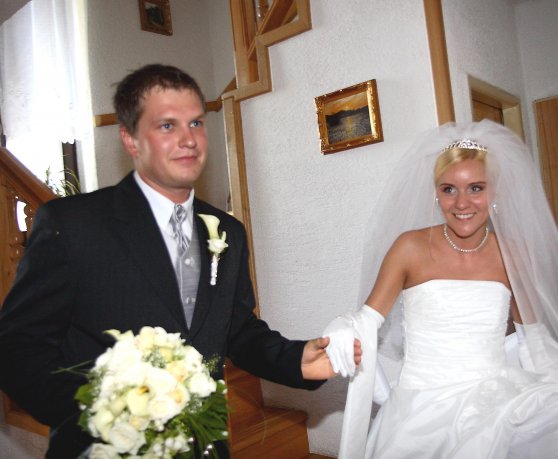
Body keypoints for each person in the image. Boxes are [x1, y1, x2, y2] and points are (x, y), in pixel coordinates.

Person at [0, 64, 350, 458]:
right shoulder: (73, 225)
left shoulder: (228, 232)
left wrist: (295, 361)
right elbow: (17, 347)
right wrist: (104, 416)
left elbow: (236, 329)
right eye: (167, 125)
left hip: (203, 446)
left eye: (196, 123)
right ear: (131, 139)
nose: (189, 139)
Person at [323, 120, 558, 458]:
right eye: (449, 189)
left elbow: (533, 337)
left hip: (496, 403)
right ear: (435, 193)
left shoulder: (512, 252)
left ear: (495, 192)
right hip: (421, 407)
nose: (462, 203)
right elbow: (367, 319)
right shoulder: (409, 247)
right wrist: (342, 326)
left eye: (476, 188)